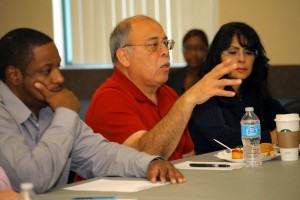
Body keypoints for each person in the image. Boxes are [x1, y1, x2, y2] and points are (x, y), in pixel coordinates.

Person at [0, 28, 187, 194]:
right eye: (46, 71)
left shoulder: (48, 109)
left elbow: (100, 153)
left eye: (58, 67)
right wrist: (65, 113)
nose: (58, 78)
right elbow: (32, 181)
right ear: (14, 75)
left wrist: (149, 163)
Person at [74, 15, 241, 182]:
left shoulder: (168, 94)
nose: (165, 52)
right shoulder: (109, 98)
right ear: (124, 56)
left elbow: (188, 158)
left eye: (166, 44)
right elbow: (146, 159)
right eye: (154, 45)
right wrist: (189, 99)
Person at [188, 22, 288, 154]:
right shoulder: (204, 90)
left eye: (249, 52)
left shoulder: (253, 89)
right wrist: (271, 137)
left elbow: (287, 118)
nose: (242, 58)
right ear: (218, 56)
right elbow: (221, 138)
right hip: (211, 168)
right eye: (233, 52)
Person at [166, 29, 209, 96]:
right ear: (183, 50)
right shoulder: (172, 77)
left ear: (207, 49)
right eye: (188, 48)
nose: (193, 53)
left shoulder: (211, 76)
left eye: (199, 48)